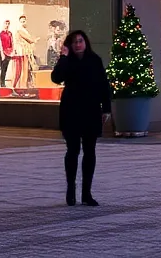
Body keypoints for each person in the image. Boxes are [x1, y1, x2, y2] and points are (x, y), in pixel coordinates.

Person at [50, 30, 111, 207]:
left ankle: (86, 193)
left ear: (86, 42)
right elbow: (56, 78)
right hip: (71, 111)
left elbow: (103, 84)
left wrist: (106, 108)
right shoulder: (67, 61)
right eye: (74, 42)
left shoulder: (95, 60)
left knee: (90, 151)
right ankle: (71, 190)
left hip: (91, 110)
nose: (78, 44)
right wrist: (63, 57)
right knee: (73, 150)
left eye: (80, 41)